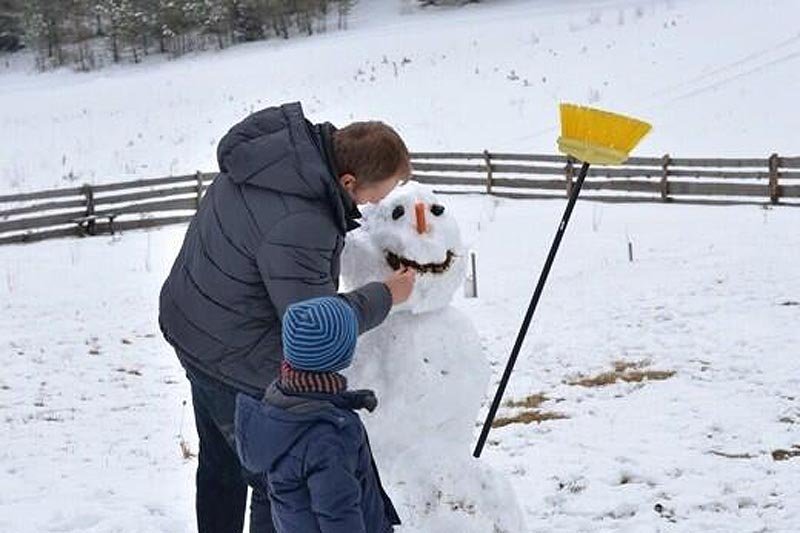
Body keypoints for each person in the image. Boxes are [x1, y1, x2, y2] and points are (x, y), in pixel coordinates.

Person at [158, 102, 415, 533]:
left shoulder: (273, 159)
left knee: (220, 462)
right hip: (234, 356)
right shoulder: (304, 221)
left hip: (193, 324)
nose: (377, 203)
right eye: (378, 194)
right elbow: (311, 322)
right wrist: (385, 294)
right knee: (272, 475)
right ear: (348, 180)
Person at [235, 296, 401, 533]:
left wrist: (347, 401)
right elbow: (338, 516)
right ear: (339, 354)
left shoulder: (282, 400)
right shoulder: (328, 440)